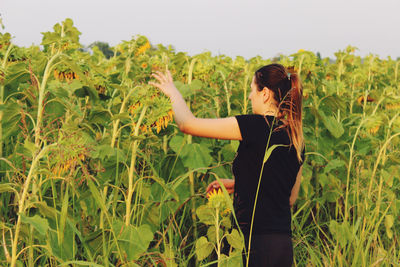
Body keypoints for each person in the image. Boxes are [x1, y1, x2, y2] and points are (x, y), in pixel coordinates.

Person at [149, 63, 304, 267]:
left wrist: (172, 92)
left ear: (265, 93)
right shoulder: (296, 137)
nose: (250, 96)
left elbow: (187, 124)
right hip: (282, 246)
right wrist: (238, 184)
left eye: (251, 90)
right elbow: (289, 197)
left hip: (254, 244)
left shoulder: (253, 125)